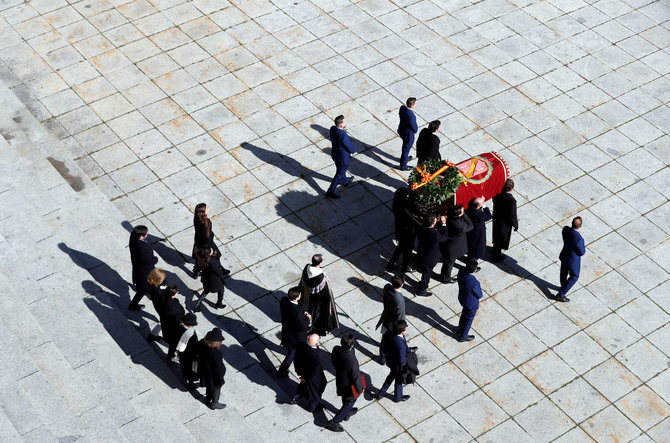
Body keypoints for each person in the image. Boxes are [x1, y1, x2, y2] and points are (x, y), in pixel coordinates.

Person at [328, 334, 364, 432]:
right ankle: (335, 421)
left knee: (346, 398)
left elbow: (334, 360)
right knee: (350, 401)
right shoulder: (353, 362)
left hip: (341, 379)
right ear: (352, 345)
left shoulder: (336, 349)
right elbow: (356, 377)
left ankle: (346, 412)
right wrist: (360, 390)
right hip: (349, 385)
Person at [299, 254, 339, 336]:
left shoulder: (307, 268)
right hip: (317, 301)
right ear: (320, 263)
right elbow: (325, 293)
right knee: (316, 315)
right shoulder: (320, 277)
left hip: (306, 296)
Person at [277, 287, 311, 377]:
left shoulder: (284, 301)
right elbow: (302, 325)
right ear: (297, 298)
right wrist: (308, 318)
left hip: (287, 331)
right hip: (295, 337)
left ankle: (282, 370)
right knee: (292, 353)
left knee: (292, 351)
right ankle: (282, 370)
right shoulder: (296, 311)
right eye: (300, 294)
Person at [192, 203, 229, 277]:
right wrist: (209, 250)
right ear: (203, 212)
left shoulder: (197, 218)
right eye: (206, 208)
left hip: (200, 242)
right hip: (206, 245)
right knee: (207, 258)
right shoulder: (204, 224)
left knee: (202, 257)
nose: (208, 208)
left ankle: (219, 268)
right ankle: (197, 270)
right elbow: (204, 239)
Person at [416, 214, 448, 296]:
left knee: (425, 270)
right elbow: (444, 237)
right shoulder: (435, 235)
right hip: (430, 258)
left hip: (422, 252)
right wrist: (444, 224)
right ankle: (422, 289)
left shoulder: (422, 228)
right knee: (427, 273)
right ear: (432, 224)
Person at [292, 334, 327, 412]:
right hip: (311, 377)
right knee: (316, 393)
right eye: (319, 339)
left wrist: (300, 374)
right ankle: (312, 408)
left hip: (304, 372)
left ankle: (297, 395)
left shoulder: (302, 346)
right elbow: (314, 373)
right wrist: (306, 379)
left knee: (303, 385)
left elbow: (296, 359)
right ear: (317, 343)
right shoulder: (317, 356)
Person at [377, 320, 410, 402]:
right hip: (398, 365)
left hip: (390, 361)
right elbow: (402, 360)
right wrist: (404, 368)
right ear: (402, 331)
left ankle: (381, 393)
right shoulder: (401, 345)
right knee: (398, 381)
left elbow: (384, 345)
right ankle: (398, 397)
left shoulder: (389, 333)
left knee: (391, 376)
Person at [440, 205, 473, 283]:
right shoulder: (460, 225)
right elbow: (471, 226)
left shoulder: (449, 218)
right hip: (453, 247)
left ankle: (443, 275)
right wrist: (464, 214)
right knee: (449, 264)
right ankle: (446, 279)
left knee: (446, 262)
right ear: (459, 214)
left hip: (447, 243)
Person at [555, 217, 585, 303]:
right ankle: (561, 294)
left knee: (563, 272)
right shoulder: (579, 239)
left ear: (572, 223)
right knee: (574, 276)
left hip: (565, 255)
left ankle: (563, 286)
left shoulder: (565, 229)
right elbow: (582, 252)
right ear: (580, 226)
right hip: (573, 260)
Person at [128, 225, 158, 310]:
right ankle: (133, 305)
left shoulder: (133, 237)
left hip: (138, 267)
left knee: (143, 288)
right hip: (145, 272)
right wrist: (155, 259)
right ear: (141, 236)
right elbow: (149, 261)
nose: (147, 234)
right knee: (143, 290)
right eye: (146, 233)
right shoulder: (143, 248)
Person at [387, 187, 416, 273]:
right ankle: (405, 266)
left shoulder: (396, 202)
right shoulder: (404, 207)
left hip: (400, 230)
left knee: (400, 248)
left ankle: (391, 264)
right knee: (407, 250)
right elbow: (410, 206)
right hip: (406, 231)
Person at [326, 115, 356, 199]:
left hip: (335, 154)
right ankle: (330, 191)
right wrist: (353, 150)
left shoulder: (332, 129)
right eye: (345, 122)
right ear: (341, 125)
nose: (346, 122)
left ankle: (345, 181)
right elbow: (350, 147)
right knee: (338, 174)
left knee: (340, 170)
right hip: (343, 158)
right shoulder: (344, 136)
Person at [197, 328, 226, 409]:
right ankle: (215, 403)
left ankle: (207, 399)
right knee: (216, 387)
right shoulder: (216, 353)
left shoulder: (202, 342)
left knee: (208, 386)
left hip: (204, 371)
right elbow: (219, 368)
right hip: (213, 375)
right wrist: (220, 378)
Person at [456, 260, 483, 342]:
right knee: (468, 319)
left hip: (462, 298)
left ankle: (460, 329)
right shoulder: (474, 282)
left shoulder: (461, 272)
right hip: (471, 303)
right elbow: (479, 295)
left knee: (464, 314)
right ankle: (463, 336)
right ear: (475, 270)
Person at [193, 246, 226, 313]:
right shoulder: (212, 262)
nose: (211, 249)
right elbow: (218, 272)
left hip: (206, 279)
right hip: (214, 282)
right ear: (208, 254)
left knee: (205, 291)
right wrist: (220, 269)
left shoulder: (201, 259)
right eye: (210, 250)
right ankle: (219, 304)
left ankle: (197, 305)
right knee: (221, 290)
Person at [492, 178, 518, 262]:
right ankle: (497, 255)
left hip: (497, 219)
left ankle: (495, 249)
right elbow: (513, 214)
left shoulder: (497, 195)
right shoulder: (512, 201)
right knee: (502, 237)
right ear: (512, 188)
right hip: (505, 222)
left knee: (496, 235)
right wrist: (515, 224)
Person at [176, 312, 199, 390]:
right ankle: (191, 384)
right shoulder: (190, 333)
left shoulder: (179, 327)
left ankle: (190, 381)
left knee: (185, 368)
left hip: (183, 355)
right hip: (192, 356)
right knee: (193, 370)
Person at [465, 196, 492, 266]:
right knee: (475, 250)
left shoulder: (468, 210)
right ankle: (471, 263)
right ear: (479, 206)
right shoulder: (479, 215)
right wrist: (485, 207)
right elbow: (489, 216)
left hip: (470, 231)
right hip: (477, 233)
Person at [163, 285, 185, 363]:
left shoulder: (169, 300)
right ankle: (170, 358)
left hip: (174, 327)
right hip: (174, 330)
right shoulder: (172, 308)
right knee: (173, 345)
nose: (178, 292)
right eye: (176, 291)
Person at [397, 97, 418, 171]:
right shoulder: (410, 116)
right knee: (406, 150)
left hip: (402, 130)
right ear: (412, 105)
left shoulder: (402, 108)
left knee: (405, 148)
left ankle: (405, 159)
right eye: (415, 103)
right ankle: (403, 166)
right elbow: (414, 128)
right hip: (408, 134)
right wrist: (416, 130)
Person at [147, 268, 167, 342]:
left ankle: (152, 335)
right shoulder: (156, 291)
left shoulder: (155, 285)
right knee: (163, 322)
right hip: (161, 307)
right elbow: (162, 300)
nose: (163, 280)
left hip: (160, 306)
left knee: (162, 322)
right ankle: (151, 336)